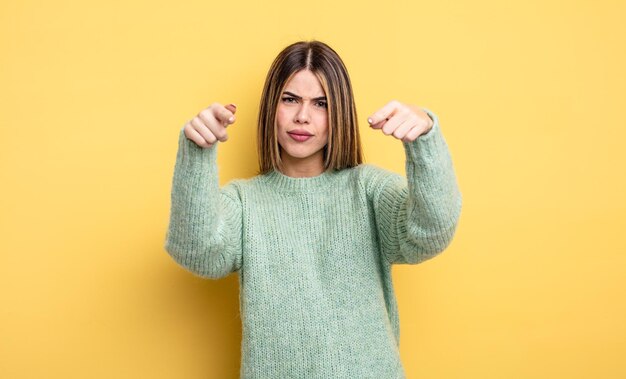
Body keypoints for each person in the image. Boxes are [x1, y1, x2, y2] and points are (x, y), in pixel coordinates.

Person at [165, 40, 462, 378]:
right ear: (270, 108)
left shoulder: (368, 190)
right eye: (290, 99)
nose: (303, 117)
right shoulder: (244, 203)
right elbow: (197, 253)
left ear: (340, 113)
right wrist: (197, 154)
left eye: (321, 103)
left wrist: (425, 140)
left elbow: (430, 233)